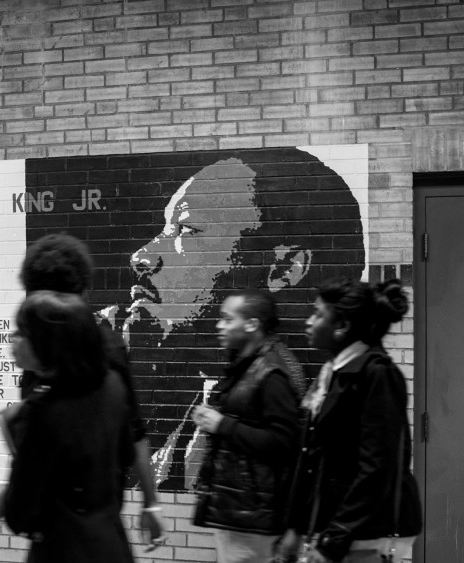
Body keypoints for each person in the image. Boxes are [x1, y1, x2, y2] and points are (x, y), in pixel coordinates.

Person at [87, 148, 364, 491]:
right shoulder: (213, 388)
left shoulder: (276, 378)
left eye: (186, 229)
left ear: (284, 268)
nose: (141, 256)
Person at [0, 234, 163, 551]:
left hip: (68, 532)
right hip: (96, 527)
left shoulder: (59, 384)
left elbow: (34, 466)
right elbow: (133, 434)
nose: (14, 343)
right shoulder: (98, 359)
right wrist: (151, 504)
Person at [278, 278, 422, 563]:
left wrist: (333, 541)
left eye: (317, 314)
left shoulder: (376, 374)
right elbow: (312, 456)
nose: (309, 321)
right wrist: (296, 525)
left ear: (342, 325)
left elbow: (378, 468)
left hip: (358, 533)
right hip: (329, 525)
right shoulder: (335, 371)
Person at [1, 291, 135, 563]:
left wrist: (13, 435)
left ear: (47, 342)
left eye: (21, 332)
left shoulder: (43, 411)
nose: (13, 338)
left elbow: (18, 513)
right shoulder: (112, 385)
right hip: (111, 556)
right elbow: (125, 454)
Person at [191, 289, 302, 563]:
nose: (219, 326)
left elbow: (284, 442)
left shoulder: (271, 373)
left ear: (252, 324)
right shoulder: (250, 365)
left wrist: (221, 424)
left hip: (251, 510)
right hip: (242, 507)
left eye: (227, 319)